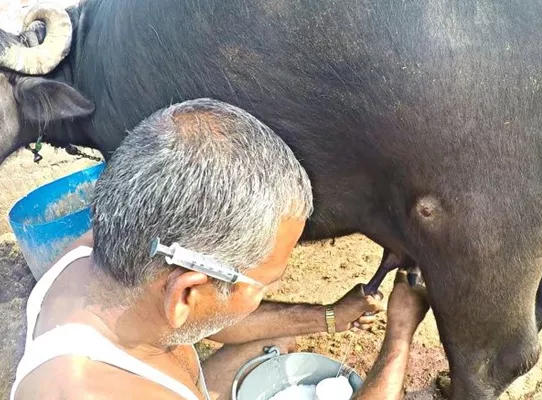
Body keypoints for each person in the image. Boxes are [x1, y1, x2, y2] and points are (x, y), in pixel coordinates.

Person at [11, 98, 430, 400]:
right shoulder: (83, 390)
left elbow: (207, 320)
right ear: (188, 292)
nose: (264, 291)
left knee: (276, 346)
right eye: (265, 283)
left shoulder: (94, 256)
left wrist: (330, 317)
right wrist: (400, 335)